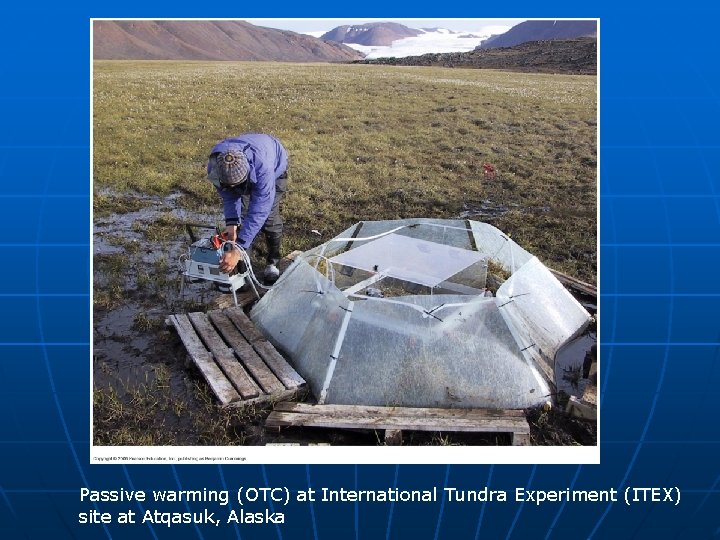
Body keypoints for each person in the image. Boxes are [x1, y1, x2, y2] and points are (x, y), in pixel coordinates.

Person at [206, 133, 289, 284]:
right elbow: (229, 196)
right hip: (247, 168)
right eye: (229, 185)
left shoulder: (264, 169)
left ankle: (273, 262)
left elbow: (259, 210)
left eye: (236, 185)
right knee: (241, 222)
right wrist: (232, 224)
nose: (233, 189)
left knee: (269, 218)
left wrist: (238, 248)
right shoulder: (215, 167)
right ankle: (243, 272)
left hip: (275, 167)